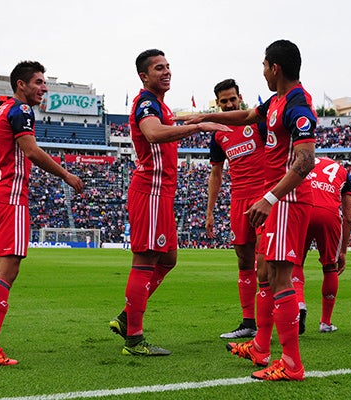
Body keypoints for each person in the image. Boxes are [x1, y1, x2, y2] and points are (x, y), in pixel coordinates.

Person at [177, 39, 316, 381]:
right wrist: (207, 117)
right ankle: (261, 348)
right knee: (267, 276)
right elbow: (246, 115)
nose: (263, 73)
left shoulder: (297, 104)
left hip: (285, 200)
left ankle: (292, 364)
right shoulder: (276, 102)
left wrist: (270, 198)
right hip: (273, 199)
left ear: (275, 68)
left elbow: (307, 159)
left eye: (264, 67)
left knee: (280, 277)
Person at [0, 61, 84, 365]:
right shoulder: (21, 111)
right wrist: (67, 176)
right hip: (10, 198)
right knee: (8, 270)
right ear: (21, 85)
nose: (44, 88)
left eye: (45, 82)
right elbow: (30, 150)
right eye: (38, 82)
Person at [108, 49, 229, 356]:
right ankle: (134, 339)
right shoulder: (147, 103)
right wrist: (198, 127)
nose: (166, 71)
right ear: (144, 76)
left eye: (168, 66)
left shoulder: (159, 103)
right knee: (146, 260)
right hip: (149, 190)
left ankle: (127, 316)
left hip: (162, 193)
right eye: (158, 68)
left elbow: (168, 124)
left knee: (169, 259)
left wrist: (199, 118)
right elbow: (152, 133)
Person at [206, 78, 266, 339]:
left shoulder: (258, 122)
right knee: (244, 260)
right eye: (224, 101)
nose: (229, 104)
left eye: (233, 99)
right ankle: (248, 323)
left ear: (240, 97)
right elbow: (216, 173)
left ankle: (272, 320)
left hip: (265, 197)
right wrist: (209, 211)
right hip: (238, 200)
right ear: (218, 104)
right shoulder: (218, 134)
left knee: (266, 262)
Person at [292, 157, 351, 334]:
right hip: (328, 214)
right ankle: (325, 323)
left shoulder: (303, 160)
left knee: (295, 263)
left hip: (303, 209)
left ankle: (299, 302)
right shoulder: (343, 171)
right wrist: (342, 251)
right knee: (330, 267)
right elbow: (348, 217)